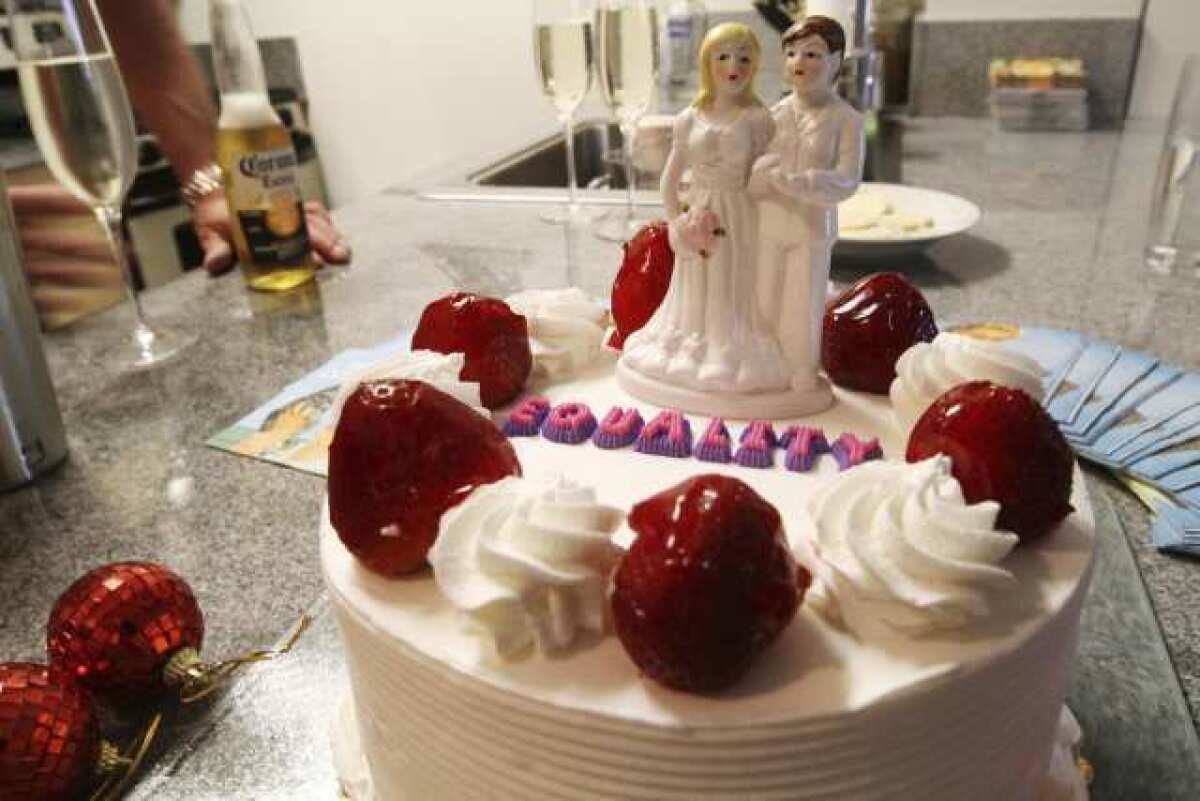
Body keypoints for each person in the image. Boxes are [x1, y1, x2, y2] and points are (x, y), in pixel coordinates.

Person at [12, 0, 350, 324]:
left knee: (99, 340)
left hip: (45, 221)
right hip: (23, 192)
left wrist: (218, 189)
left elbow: (129, 17)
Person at [621, 22, 791, 402]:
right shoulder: (688, 119)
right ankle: (691, 345)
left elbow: (769, 172)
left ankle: (727, 351)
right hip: (699, 208)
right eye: (724, 56)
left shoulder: (759, 120)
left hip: (738, 211)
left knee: (732, 280)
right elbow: (670, 178)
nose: (735, 65)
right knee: (695, 278)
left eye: (745, 58)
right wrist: (676, 220)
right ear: (707, 63)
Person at [749, 16, 864, 400]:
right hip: (769, 225)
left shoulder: (845, 120)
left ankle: (801, 369)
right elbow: (752, 168)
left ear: (835, 61)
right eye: (792, 53)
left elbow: (847, 180)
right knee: (763, 297)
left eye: (812, 53)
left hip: (811, 228)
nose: (799, 61)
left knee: (803, 301)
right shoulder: (773, 115)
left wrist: (804, 184)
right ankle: (763, 366)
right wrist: (761, 178)